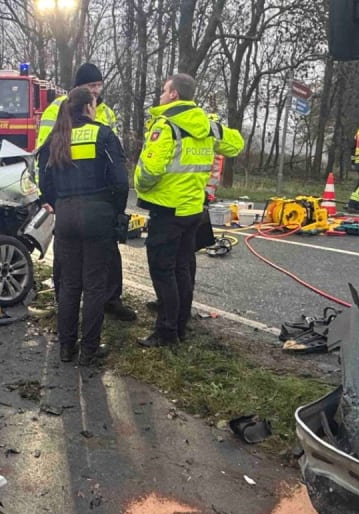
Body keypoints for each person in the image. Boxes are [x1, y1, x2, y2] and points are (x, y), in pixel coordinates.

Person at [134, 73, 244, 347]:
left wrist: (139, 185)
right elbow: (236, 145)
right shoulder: (206, 125)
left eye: (163, 90)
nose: (160, 95)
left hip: (168, 210)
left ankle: (166, 332)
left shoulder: (167, 126)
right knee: (182, 269)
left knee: (162, 272)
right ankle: (180, 326)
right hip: (194, 210)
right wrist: (215, 129)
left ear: (174, 95)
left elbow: (151, 169)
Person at [36, 62, 135, 323]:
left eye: (98, 85)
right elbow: (44, 152)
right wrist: (51, 197)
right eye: (90, 86)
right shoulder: (56, 109)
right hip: (70, 191)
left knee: (107, 256)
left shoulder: (107, 113)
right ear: (78, 88)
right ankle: (66, 301)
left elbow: (115, 155)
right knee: (67, 262)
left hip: (99, 196)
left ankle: (111, 300)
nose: (95, 91)